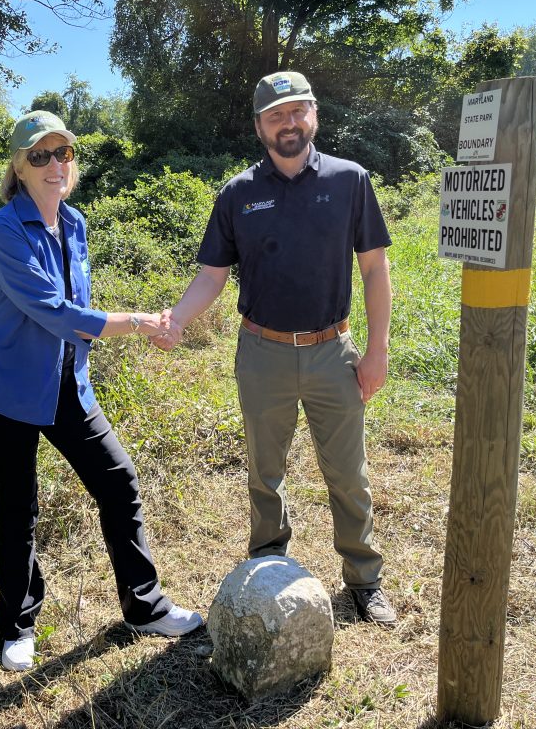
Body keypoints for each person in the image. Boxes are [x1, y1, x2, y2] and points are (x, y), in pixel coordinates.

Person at [0, 110, 203, 672]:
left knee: (118, 480)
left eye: (62, 153)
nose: (53, 165)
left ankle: (144, 606)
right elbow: (54, 312)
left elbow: (74, 316)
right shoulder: (2, 230)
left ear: (73, 162)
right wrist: (140, 322)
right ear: (18, 167)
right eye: (38, 155)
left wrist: (127, 330)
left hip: (66, 386)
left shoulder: (76, 223)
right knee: (17, 508)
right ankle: (16, 624)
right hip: (2, 394)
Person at [153, 71, 397, 625]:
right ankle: (266, 567)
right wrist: (176, 319)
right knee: (266, 471)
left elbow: (375, 269)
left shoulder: (350, 180)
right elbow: (211, 277)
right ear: (259, 126)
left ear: (314, 112)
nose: (288, 123)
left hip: (333, 350)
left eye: (296, 111)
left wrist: (377, 350)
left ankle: (364, 578)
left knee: (348, 473)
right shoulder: (239, 193)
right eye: (275, 115)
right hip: (261, 352)